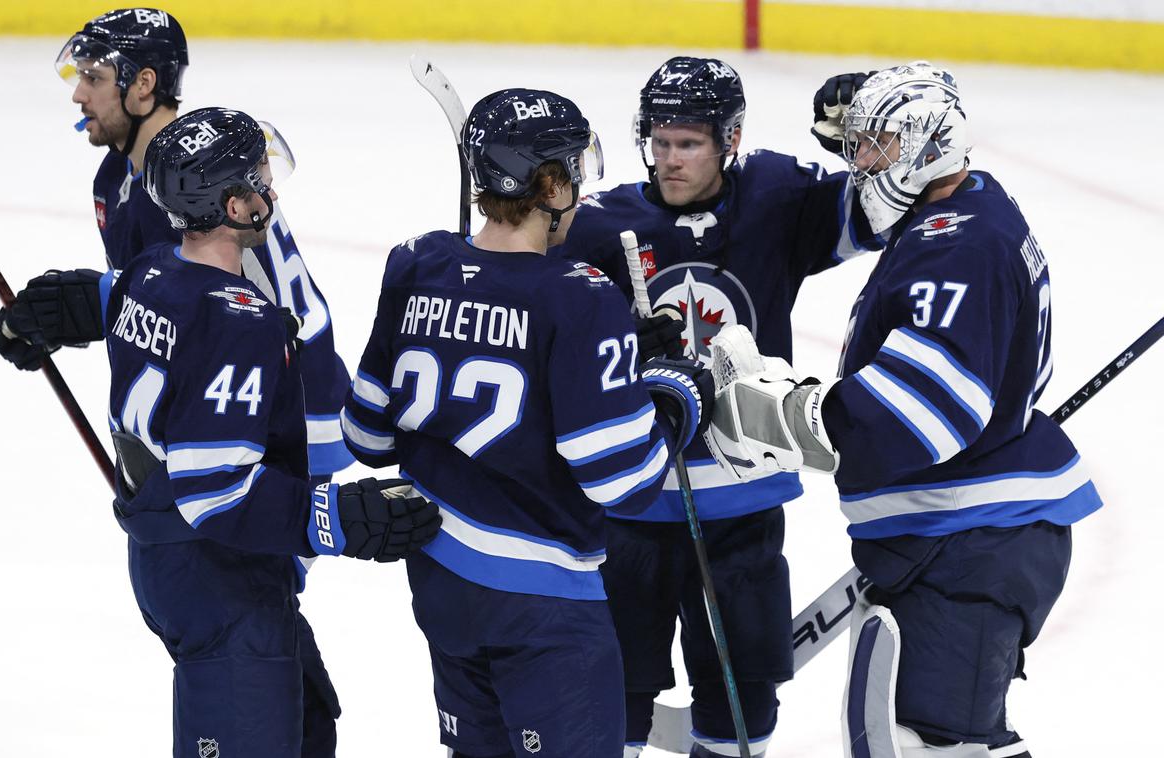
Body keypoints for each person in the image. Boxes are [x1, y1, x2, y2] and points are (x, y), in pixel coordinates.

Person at [702, 61, 1103, 758]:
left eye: (877, 144)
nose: (861, 162)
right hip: (960, 537)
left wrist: (777, 414)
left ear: (928, 145)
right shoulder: (965, 207)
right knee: (907, 740)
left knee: (935, 748)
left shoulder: (959, 248)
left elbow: (918, 415)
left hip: (971, 542)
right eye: (859, 144)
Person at [340, 88, 713, 758]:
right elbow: (621, 479)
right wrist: (675, 394)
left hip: (443, 589)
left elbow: (366, 437)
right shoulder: (581, 295)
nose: (580, 185)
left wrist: (604, 357)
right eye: (572, 169)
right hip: (543, 612)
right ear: (547, 183)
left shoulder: (417, 263)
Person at [551, 56, 881, 757]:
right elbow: (537, 328)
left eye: (689, 143)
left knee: (744, 691)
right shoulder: (596, 227)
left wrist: (865, 134)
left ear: (729, 140)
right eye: (660, 141)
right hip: (633, 501)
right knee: (617, 688)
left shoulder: (775, 197)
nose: (670, 160)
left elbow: (884, 210)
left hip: (743, 495)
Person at [101, 107, 440, 757]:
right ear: (230, 204)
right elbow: (216, 491)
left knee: (307, 723)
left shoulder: (148, 273)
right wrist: (338, 516)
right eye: (259, 181)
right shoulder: (239, 320)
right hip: (220, 574)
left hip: (164, 555)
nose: (271, 193)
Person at [0, 7, 354, 478]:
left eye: (94, 79)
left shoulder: (202, 191)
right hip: (221, 411)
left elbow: (233, 319)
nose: (79, 94)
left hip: (280, 430)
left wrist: (90, 304)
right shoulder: (121, 179)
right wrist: (61, 315)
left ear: (142, 84)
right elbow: (164, 308)